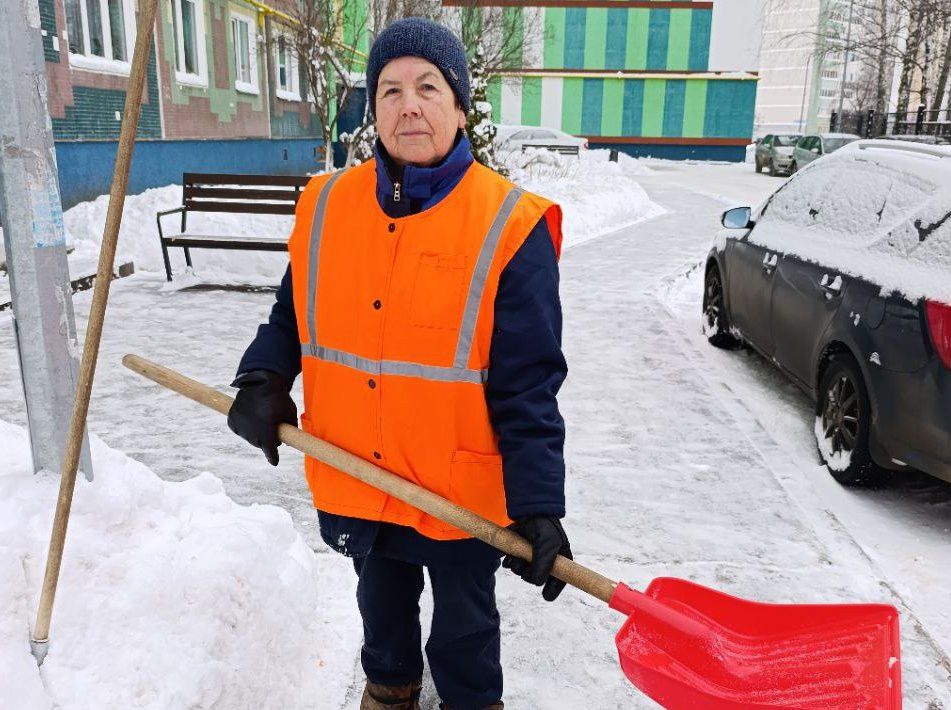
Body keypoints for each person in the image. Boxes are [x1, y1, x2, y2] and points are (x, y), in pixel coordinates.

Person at [228, 17, 570, 710]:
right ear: (374, 108)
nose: (408, 105)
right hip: (359, 469)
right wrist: (263, 377)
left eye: (427, 86)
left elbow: (529, 384)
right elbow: (293, 316)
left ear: (458, 104)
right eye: (390, 89)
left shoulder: (509, 224)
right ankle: (389, 693)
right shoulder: (326, 206)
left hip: (458, 490)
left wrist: (537, 505)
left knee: (465, 631)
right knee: (380, 611)